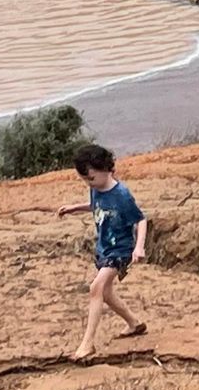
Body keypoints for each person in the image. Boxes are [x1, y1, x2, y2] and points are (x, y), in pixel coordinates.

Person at [56, 143, 148, 360]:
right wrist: (74, 208)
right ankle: (134, 323)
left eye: (91, 178)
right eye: (86, 180)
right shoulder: (96, 189)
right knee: (106, 293)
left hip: (121, 249)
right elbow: (96, 205)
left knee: (96, 288)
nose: (90, 184)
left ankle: (87, 344)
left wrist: (139, 247)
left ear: (106, 169)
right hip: (104, 247)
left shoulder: (122, 195)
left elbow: (140, 219)